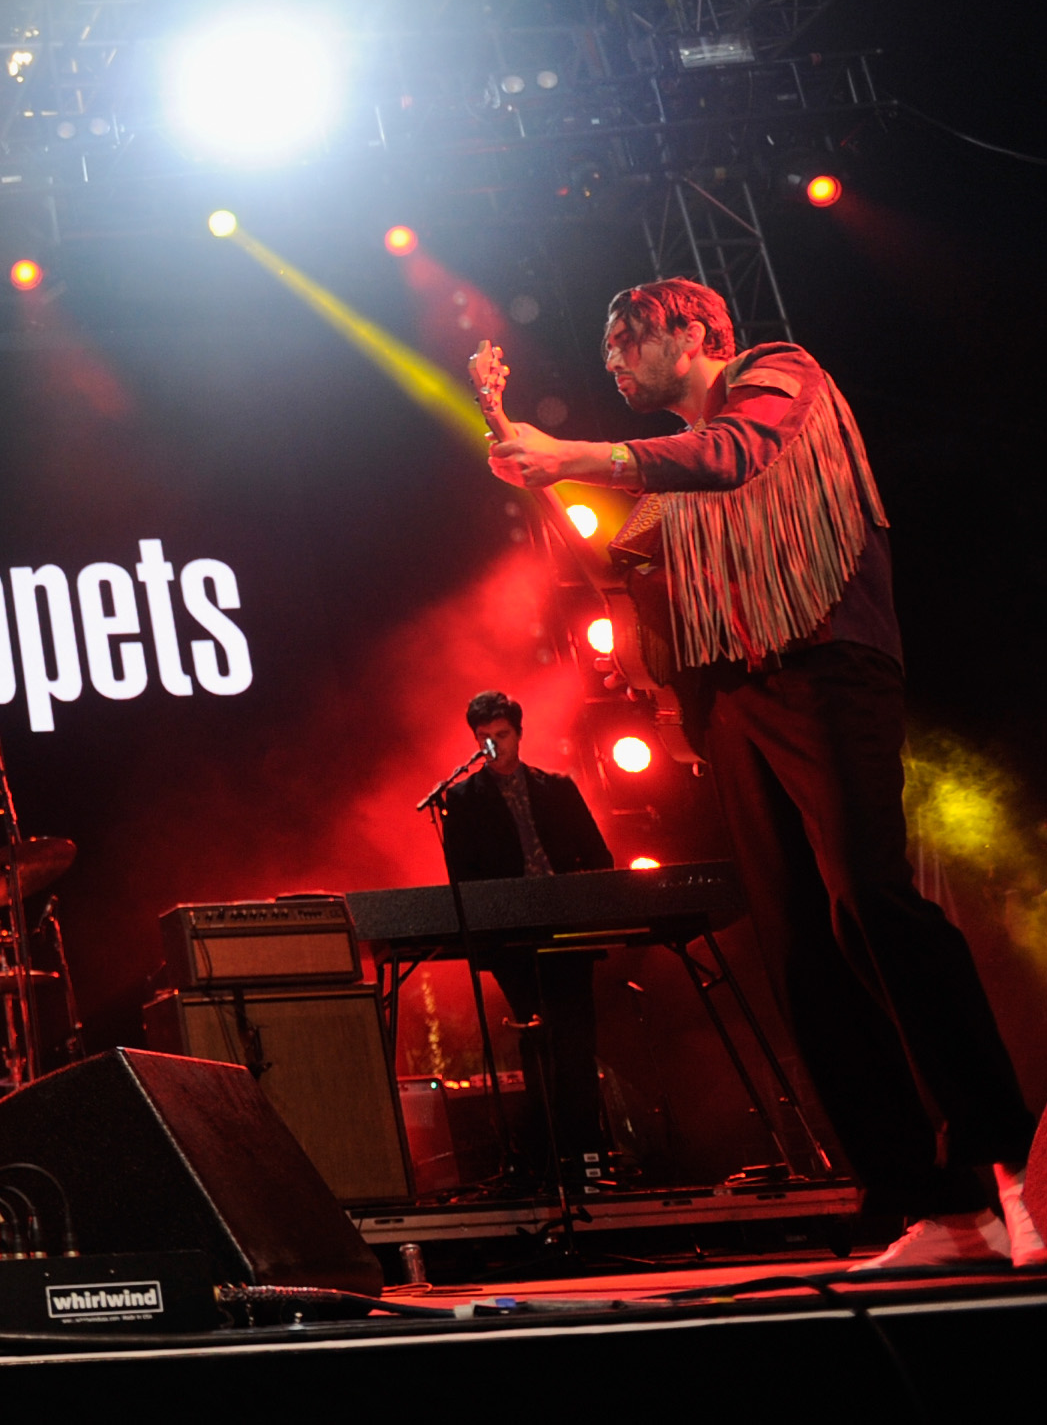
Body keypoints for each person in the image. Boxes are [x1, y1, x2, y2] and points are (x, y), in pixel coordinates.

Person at [485, 278, 1038, 1268]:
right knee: (797, 953)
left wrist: (575, 455)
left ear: (696, 329)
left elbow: (738, 454)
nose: (611, 361)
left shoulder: (780, 373)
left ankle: (1004, 1165)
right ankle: (927, 1204)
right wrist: (543, 478)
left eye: (627, 338)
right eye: (607, 348)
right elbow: (635, 585)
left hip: (823, 663)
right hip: (735, 696)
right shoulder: (666, 482)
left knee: (869, 900)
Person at [437, 691, 614, 1190]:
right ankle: (550, 1160)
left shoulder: (557, 788)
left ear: (519, 733)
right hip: (513, 941)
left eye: (502, 735)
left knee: (576, 1042)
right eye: (484, 739)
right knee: (539, 1041)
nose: (494, 746)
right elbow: (463, 877)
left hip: (568, 931)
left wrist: (582, 899)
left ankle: (588, 1157)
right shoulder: (462, 799)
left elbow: (598, 855)